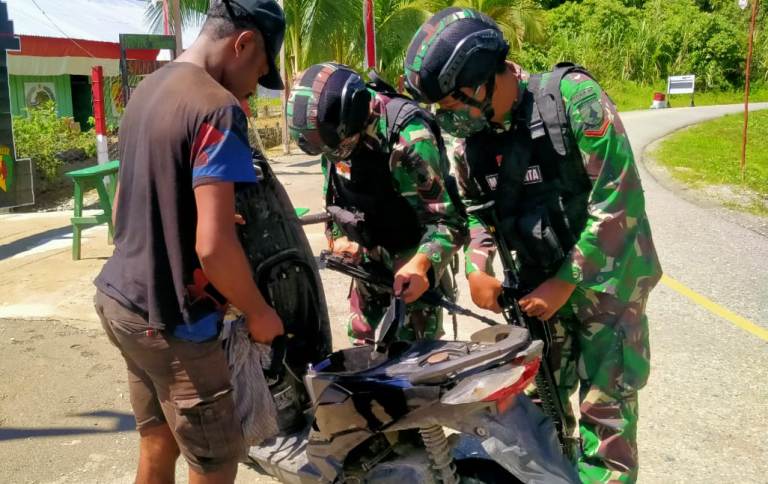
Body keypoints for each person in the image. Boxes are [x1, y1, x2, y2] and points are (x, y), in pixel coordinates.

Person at [404, 8, 662, 483]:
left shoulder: (573, 100)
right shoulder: (471, 143)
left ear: (482, 79)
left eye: (452, 103)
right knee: (537, 411)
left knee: (606, 416)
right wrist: (478, 268)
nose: (448, 117)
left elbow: (618, 202)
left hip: (608, 287)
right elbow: (477, 213)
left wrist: (564, 282)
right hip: (537, 291)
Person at [93, 1, 286, 482]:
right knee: (213, 461)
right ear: (243, 43)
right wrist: (259, 313)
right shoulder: (217, 108)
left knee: (158, 441)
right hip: (172, 323)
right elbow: (214, 248)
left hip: (121, 303)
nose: (252, 87)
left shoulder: (146, 90)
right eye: (258, 71)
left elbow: (122, 211)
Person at [287, 63, 466, 344]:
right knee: (362, 358)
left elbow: (450, 222)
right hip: (367, 273)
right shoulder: (331, 136)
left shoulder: (410, 140)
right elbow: (334, 198)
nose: (334, 156)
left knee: (415, 363)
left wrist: (421, 264)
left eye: (338, 148)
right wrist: (340, 239)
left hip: (412, 276)